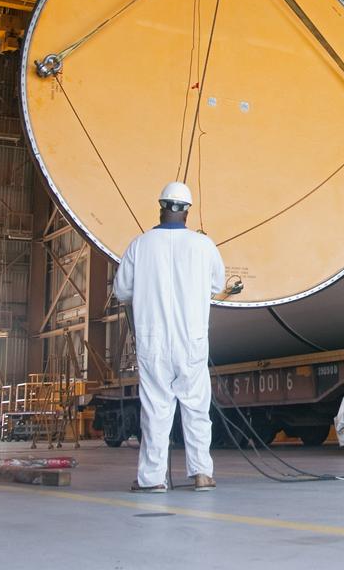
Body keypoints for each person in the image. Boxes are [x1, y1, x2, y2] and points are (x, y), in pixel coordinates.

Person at [114, 181, 227, 493]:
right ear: (187, 211)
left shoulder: (140, 245)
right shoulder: (204, 246)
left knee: (156, 410)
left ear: (161, 206)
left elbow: (122, 290)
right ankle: (202, 473)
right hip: (191, 339)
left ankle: (152, 479)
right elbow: (218, 284)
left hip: (154, 341)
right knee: (196, 409)